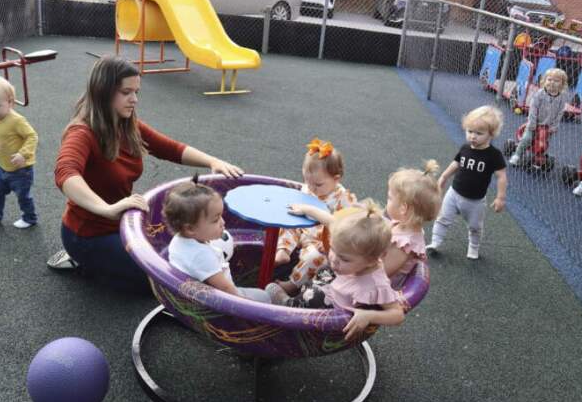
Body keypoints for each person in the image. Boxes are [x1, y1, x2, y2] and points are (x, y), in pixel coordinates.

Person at [51, 56, 243, 293]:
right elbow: (66, 173)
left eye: (136, 91)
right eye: (126, 92)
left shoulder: (126, 124)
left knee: (169, 253)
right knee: (159, 281)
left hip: (122, 223)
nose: (134, 99)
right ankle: (85, 264)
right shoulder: (82, 132)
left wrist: (212, 161)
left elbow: (169, 148)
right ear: (103, 91)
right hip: (88, 234)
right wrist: (105, 208)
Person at [266, 200, 405, 343]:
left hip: (313, 320)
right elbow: (330, 221)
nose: (334, 258)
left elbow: (397, 314)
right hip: (322, 289)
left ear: (372, 260)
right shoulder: (350, 244)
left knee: (269, 290)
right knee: (325, 267)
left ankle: (288, 308)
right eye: (333, 248)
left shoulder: (376, 283)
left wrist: (368, 315)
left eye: (344, 259)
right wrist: (306, 209)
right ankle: (296, 297)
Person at [163, 178, 271, 302]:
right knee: (264, 297)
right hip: (216, 304)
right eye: (215, 220)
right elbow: (225, 288)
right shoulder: (201, 256)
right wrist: (247, 307)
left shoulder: (179, 240)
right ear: (190, 228)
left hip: (188, 295)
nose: (223, 222)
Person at [273, 138, 357, 295]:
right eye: (307, 181)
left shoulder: (343, 198)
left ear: (336, 179)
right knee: (286, 223)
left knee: (315, 257)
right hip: (303, 230)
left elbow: (346, 228)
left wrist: (332, 244)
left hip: (320, 241)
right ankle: (283, 251)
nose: (312, 188)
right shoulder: (310, 187)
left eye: (318, 185)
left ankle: (292, 284)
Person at [427, 106, 508, 260]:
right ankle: (435, 242)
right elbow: (456, 163)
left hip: (475, 201)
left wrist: (500, 197)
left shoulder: (493, 155)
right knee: (442, 218)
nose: (473, 136)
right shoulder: (465, 148)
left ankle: (473, 248)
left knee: (475, 227)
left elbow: (501, 176)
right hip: (454, 193)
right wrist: (444, 177)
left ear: (491, 134)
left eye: (479, 133)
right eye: (470, 131)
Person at [0, 76, 39, 229]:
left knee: (23, 197)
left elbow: (32, 136)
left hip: (21, 170)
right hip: (2, 167)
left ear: (10, 102)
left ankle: (30, 218)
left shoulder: (16, 120)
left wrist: (23, 154)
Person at [384, 160, 442, 284]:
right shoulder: (404, 225)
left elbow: (382, 273)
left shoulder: (404, 245)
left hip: (375, 294)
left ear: (403, 208)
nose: (387, 201)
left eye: (389, 198)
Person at [509, 68, 568, 166]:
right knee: (527, 139)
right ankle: (517, 154)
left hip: (547, 126)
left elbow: (559, 113)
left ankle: (539, 156)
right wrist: (532, 122)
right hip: (534, 123)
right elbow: (533, 108)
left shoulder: (562, 98)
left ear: (562, 84)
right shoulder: (540, 94)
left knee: (543, 143)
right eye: (549, 80)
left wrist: (554, 126)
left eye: (556, 81)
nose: (552, 83)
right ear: (544, 81)